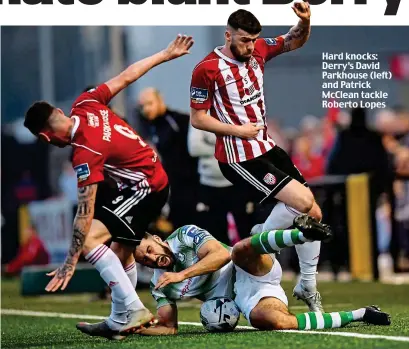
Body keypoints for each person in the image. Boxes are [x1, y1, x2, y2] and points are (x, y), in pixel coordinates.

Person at [23, 34, 194, 337]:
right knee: (120, 251)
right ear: (60, 113)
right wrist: (165, 54)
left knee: (90, 240)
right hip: (151, 179)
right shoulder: (86, 102)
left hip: (145, 188)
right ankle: (119, 319)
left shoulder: (84, 154)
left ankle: (134, 308)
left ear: (46, 138)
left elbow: (84, 213)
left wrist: (70, 261)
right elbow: (128, 75)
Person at [189, 4, 325, 311]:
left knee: (313, 213)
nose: (250, 47)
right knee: (301, 203)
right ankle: (259, 238)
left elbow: (294, 40)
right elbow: (198, 118)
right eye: (243, 41)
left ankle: (307, 284)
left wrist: (305, 20)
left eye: (253, 41)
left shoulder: (259, 50)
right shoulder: (207, 69)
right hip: (238, 157)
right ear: (228, 35)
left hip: (266, 147)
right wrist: (237, 130)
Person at [76, 217, 390, 339]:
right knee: (272, 322)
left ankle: (300, 233)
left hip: (249, 268)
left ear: (156, 239)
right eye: (143, 259)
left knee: (238, 248)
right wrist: (130, 329)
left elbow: (221, 255)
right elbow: (168, 327)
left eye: (147, 249)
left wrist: (181, 274)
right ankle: (361, 313)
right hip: (243, 298)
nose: (148, 257)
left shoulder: (185, 236)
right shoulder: (161, 284)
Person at [137, 88, 200, 230]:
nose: (146, 109)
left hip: (191, 185)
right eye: (142, 106)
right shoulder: (151, 126)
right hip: (174, 186)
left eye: (149, 103)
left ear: (160, 100)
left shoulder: (178, 120)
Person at [188, 125, 256, 245]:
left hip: (237, 182)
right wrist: (226, 147)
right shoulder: (199, 116)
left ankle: (250, 262)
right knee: (216, 232)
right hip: (209, 184)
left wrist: (210, 145)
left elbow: (245, 146)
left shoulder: (233, 112)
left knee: (246, 229)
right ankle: (224, 262)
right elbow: (194, 148)